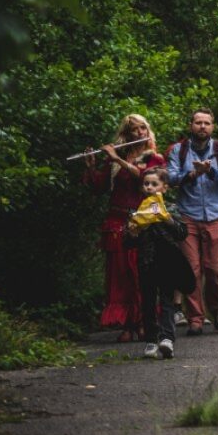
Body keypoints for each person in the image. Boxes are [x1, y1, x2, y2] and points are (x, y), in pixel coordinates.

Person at [82, 113, 165, 342]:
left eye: (143, 128)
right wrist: (91, 167)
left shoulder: (154, 158)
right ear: (127, 133)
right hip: (117, 221)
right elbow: (99, 188)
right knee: (120, 276)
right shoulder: (115, 158)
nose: (140, 133)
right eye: (136, 129)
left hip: (141, 223)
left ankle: (143, 323)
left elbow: (145, 179)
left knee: (140, 273)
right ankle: (127, 325)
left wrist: (117, 160)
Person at [167, 108, 218, 336]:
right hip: (188, 216)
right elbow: (171, 178)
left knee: (216, 269)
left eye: (207, 123)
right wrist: (192, 175)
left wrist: (211, 171)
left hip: (214, 215)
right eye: (198, 122)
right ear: (191, 125)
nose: (202, 126)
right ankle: (195, 318)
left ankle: (217, 309)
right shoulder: (180, 150)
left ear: (212, 126)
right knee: (192, 269)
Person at [124, 167, 195, 359]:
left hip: (168, 260)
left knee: (166, 301)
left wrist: (168, 219)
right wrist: (131, 231)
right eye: (146, 183)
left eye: (154, 184)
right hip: (146, 261)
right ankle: (151, 340)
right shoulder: (137, 211)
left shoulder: (170, 208)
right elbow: (128, 242)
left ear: (164, 187)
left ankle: (167, 339)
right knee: (147, 302)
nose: (149, 187)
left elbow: (182, 233)